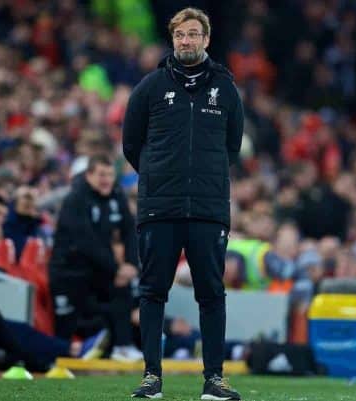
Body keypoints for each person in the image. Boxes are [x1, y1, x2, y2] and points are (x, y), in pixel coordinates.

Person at [123, 7, 243, 400]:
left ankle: (214, 379)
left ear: (206, 39)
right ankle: (151, 377)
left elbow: (232, 147)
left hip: (208, 209)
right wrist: (159, 176)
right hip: (160, 206)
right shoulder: (150, 87)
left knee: (211, 293)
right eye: (180, 36)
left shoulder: (225, 88)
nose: (186, 41)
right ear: (173, 40)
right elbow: (131, 144)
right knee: (152, 291)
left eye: (193, 34)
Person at [48, 155, 142, 361]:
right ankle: (56, 360)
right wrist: (116, 269)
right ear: (89, 175)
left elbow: (129, 230)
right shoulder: (76, 198)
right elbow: (85, 241)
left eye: (110, 174)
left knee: (123, 289)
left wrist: (131, 264)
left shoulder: (116, 193)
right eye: (101, 174)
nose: (106, 179)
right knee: (67, 322)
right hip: (68, 271)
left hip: (97, 267)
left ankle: (122, 346)